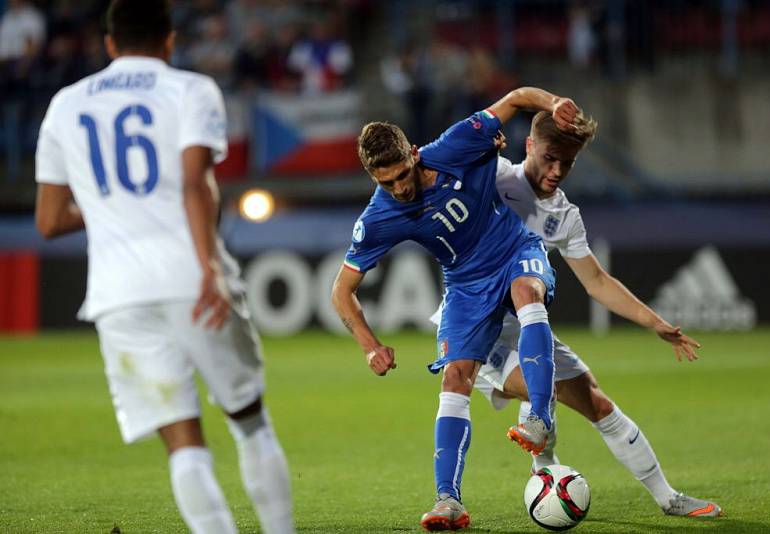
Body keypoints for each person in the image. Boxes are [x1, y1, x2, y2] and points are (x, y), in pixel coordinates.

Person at [33, 1, 295, 532]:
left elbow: (49, 220)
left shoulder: (65, 104)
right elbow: (196, 181)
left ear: (109, 43)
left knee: (181, 442)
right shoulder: (190, 90)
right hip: (191, 279)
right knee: (248, 420)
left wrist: (109, 206)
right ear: (169, 40)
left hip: (117, 296)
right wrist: (210, 268)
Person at [331, 86, 590, 531]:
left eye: (402, 175)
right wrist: (369, 345)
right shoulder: (378, 217)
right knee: (455, 378)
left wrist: (553, 104)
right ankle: (448, 500)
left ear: (414, 154)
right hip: (465, 284)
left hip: (513, 249)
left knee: (527, 292)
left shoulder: (454, 144)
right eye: (385, 182)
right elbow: (341, 290)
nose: (399, 188)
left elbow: (515, 98)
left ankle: (540, 419)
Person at [462, 110, 723, 518]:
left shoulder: (565, 216)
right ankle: (544, 472)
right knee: (540, 386)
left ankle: (667, 498)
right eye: (550, 157)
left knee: (598, 403)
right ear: (528, 145)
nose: (557, 170)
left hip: (527, 326)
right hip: (476, 329)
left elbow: (597, 282)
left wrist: (655, 322)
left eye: (567, 162)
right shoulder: (495, 178)